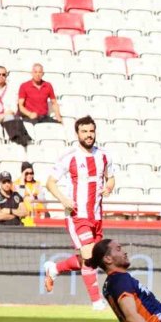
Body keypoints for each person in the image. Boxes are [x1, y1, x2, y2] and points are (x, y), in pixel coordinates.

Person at [42, 116, 115, 310]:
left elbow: (111, 178)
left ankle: (54, 269)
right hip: (77, 214)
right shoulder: (70, 156)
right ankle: (96, 302)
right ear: (77, 134)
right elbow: (50, 182)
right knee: (89, 254)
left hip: (96, 215)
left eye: (91, 131)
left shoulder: (104, 155)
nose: (89, 135)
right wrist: (63, 200)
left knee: (91, 257)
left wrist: (109, 187)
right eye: (84, 131)